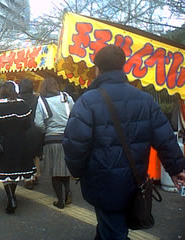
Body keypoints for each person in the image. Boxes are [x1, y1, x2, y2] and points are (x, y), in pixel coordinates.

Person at [63, 45, 185, 240]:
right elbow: (165, 138)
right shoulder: (145, 100)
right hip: (135, 180)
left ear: (97, 69)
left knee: (113, 230)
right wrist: (176, 168)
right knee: (110, 227)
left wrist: (77, 171)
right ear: (123, 67)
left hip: (101, 182)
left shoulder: (87, 101)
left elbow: (74, 144)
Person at [0, 81, 36, 214]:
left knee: (5, 171)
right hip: (21, 141)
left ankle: (11, 198)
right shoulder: (22, 104)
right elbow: (28, 124)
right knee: (15, 170)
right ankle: (12, 196)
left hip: (3, 142)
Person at [34, 77, 74, 209]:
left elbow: (38, 123)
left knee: (54, 171)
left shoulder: (42, 100)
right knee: (64, 167)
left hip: (52, 139)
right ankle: (68, 190)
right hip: (68, 137)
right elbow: (75, 114)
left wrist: (47, 130)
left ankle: (60, 200)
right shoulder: (66, 96)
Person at [19, 78, 44, 189]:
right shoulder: (37, 98)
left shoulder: (18, 100)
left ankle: (28, 178)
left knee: (25, 154)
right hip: (35, 129)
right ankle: (36, 175)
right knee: (36, 154)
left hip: (22, 130)